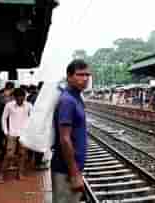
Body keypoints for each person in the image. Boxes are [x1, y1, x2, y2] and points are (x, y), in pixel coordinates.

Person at [51, 59, 91, 203]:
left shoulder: (76, 97)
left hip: (70, 169)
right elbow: (65, 138)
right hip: (65, 170)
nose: (85, 79)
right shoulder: (68, 101)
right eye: (80, 75)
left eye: (87, 75)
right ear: (69, 76)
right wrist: (74, 173)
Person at [0, 88, 33, 183]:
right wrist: (6, 132)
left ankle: (20, 173)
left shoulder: (29, 105)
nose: (20, 100)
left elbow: (32, 118)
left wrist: (29, 131)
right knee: (9, 155)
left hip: (24, 134)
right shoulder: (9, 105)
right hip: (12, 133)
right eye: (18, 98)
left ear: (25, 97)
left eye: (22, 98)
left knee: (22, 155)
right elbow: (4, 118)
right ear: (14, 97)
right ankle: (1, 174)